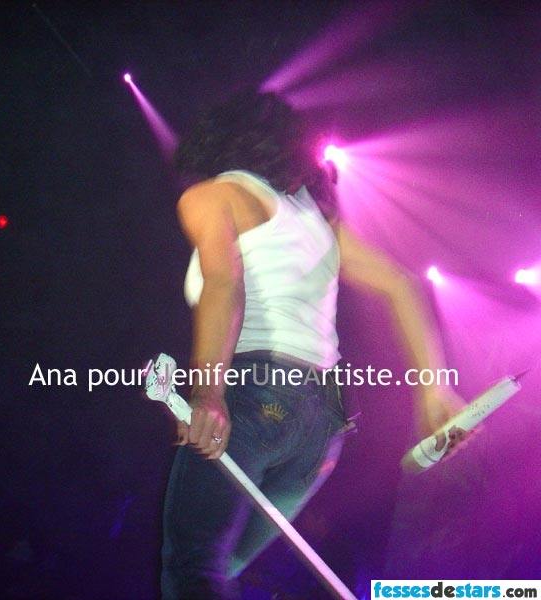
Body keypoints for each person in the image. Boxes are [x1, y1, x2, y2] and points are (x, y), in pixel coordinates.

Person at [161, 89, 467, 599]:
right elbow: (401, 284)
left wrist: (208, 393)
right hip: (321, 426)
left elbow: (225, 283)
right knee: (221, 571)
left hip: (254, 395)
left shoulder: (212, 195)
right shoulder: (318, 221)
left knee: (194, 568)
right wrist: (434, 390)